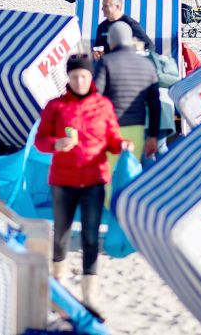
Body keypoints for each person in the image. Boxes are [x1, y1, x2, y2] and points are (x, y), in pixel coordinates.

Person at [35, 54, 132, 307]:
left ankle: (90, 294)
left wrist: (123, 145)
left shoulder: (103, 106)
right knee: (61, 234)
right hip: (63, 180)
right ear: (68, 77)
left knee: (90, 236)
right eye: (75, 76)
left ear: (91, 78)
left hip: (94, 180)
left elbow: (112, 140)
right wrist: (56, 143)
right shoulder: (55, 106)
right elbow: (40, 141)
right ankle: (58, 284)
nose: (79, 81)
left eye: (84, 76)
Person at [94, 22, 161, 196]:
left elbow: (96, 98)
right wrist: (153, 135)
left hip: (110, 129)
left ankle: (110, 212)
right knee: (130, 172)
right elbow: (154, 104)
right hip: (137, 129)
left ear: (111, 40)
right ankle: (126, 210)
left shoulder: (106, 62)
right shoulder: (147, 65)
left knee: (109, 174)